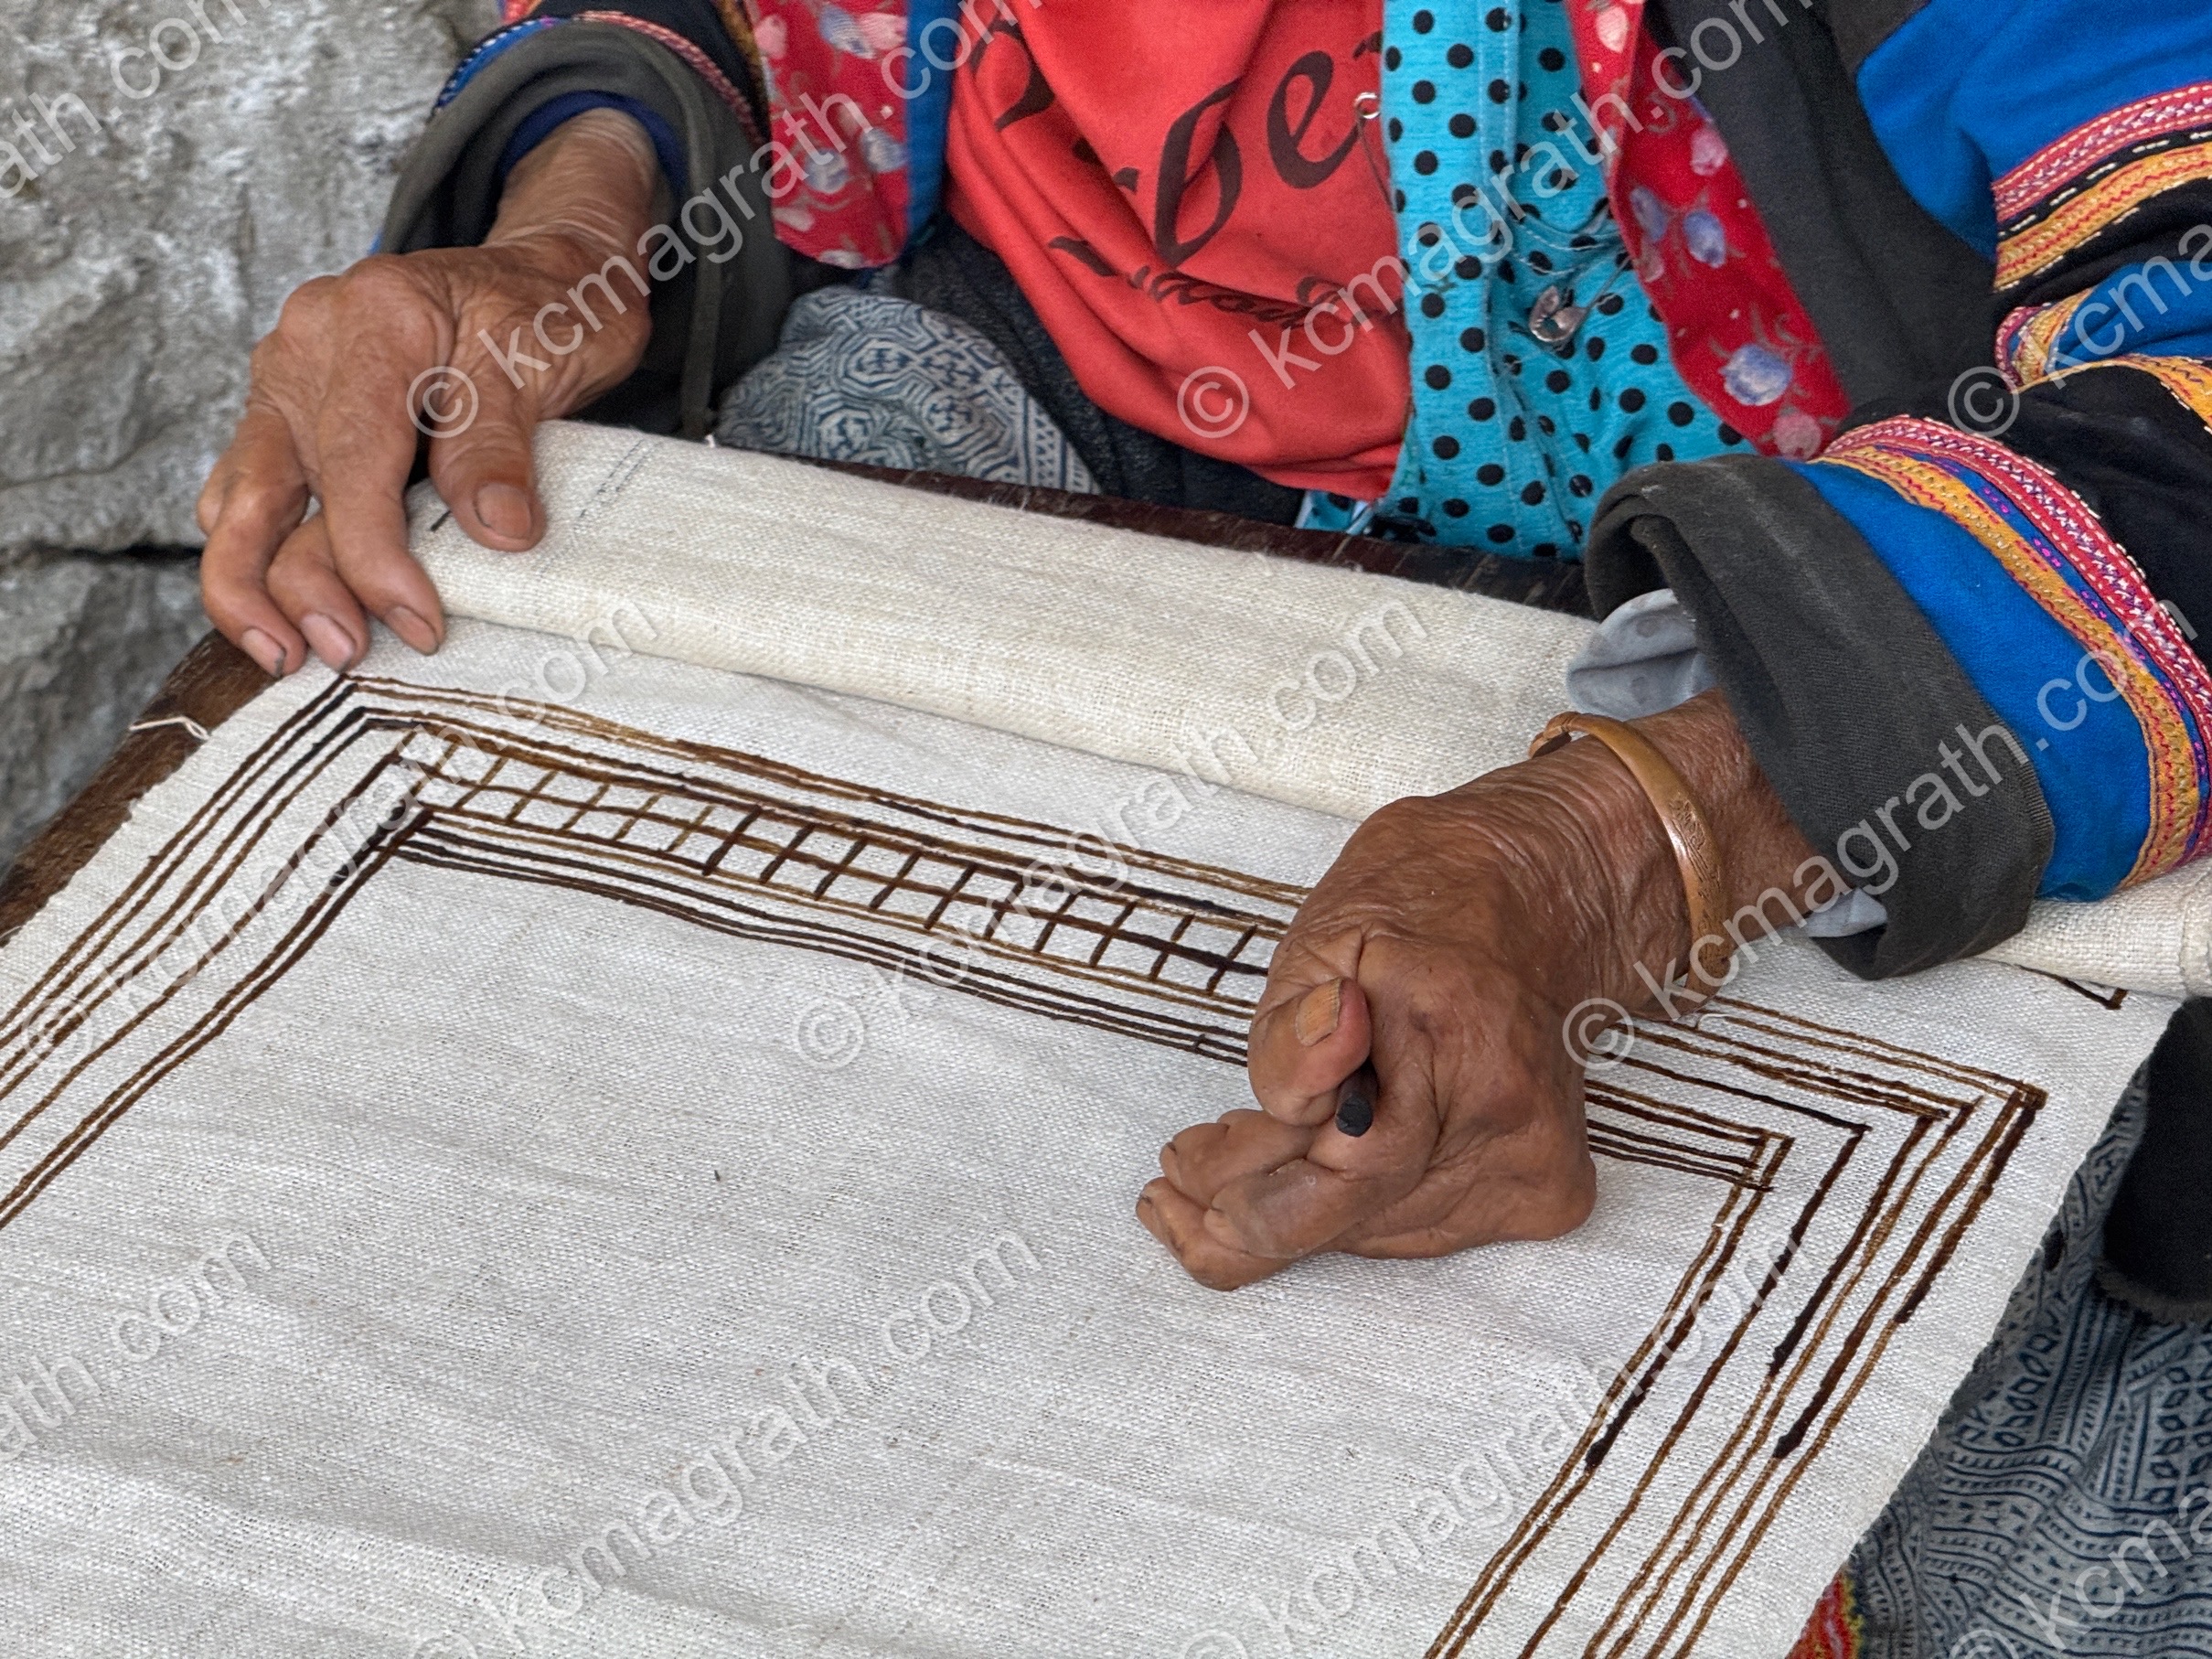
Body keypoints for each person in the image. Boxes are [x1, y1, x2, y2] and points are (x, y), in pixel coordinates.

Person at [198, 3, 2212, 1643]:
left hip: (1885, 562)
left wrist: (1619, 845)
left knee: (2006, 1563)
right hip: (1104, 422)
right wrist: (566, 233)